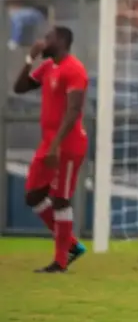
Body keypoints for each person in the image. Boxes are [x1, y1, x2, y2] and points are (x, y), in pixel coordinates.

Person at [13, 26, 89, 272]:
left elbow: (73, 111)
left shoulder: (74, 69)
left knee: (60, 199)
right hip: (49, 143)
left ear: (62, 41)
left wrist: (56, 146)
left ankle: (60, 261)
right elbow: (19, 87)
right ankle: (71, 245)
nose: (44, 42)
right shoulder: (48, 67)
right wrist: (30, 57)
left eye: (49, 38)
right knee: (33, 196)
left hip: (68, 145)